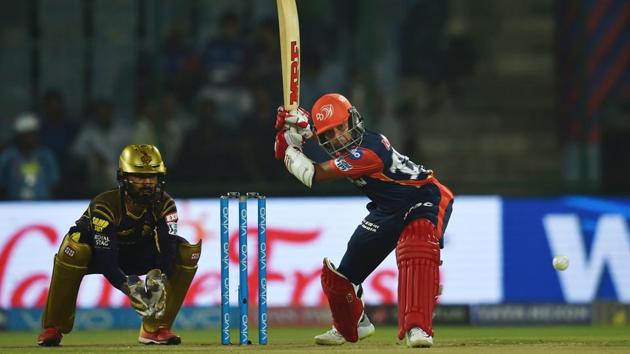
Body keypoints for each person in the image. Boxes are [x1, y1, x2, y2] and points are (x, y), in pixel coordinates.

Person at [274, 93, 454, 348]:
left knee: (417, 247)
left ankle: (418, 328)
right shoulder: (340, 144)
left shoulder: (371, 150)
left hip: (424, 196)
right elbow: (286, 150)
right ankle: (352, 324)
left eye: (341, 128)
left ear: (353, 120)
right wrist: (291, 132)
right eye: (330, 133)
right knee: (340, 280)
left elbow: (312, 174)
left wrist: (293, 147)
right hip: (387, 210)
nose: (338, 136)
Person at [36, 144, 202, 346]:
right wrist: (128, 288)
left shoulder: (166, 205)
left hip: (138, 254)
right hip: (97, 256)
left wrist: (160, 279)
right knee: (75, 249)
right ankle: (54, 327)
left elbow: (167, 248)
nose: (148, 183)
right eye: (139, 177)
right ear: (124, 178)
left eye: (152, 176)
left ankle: (156, 328)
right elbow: (106, 259)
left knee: (186, 252)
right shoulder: (105, 204)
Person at [0, 113, 59, 200]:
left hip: (43, 205)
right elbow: (2, 185)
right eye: (25, 135)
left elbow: (54, 184)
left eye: (32, 134)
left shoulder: (45, 156)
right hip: (14, 206)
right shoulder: (8, 157)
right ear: (18, 136)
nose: (29, 138)